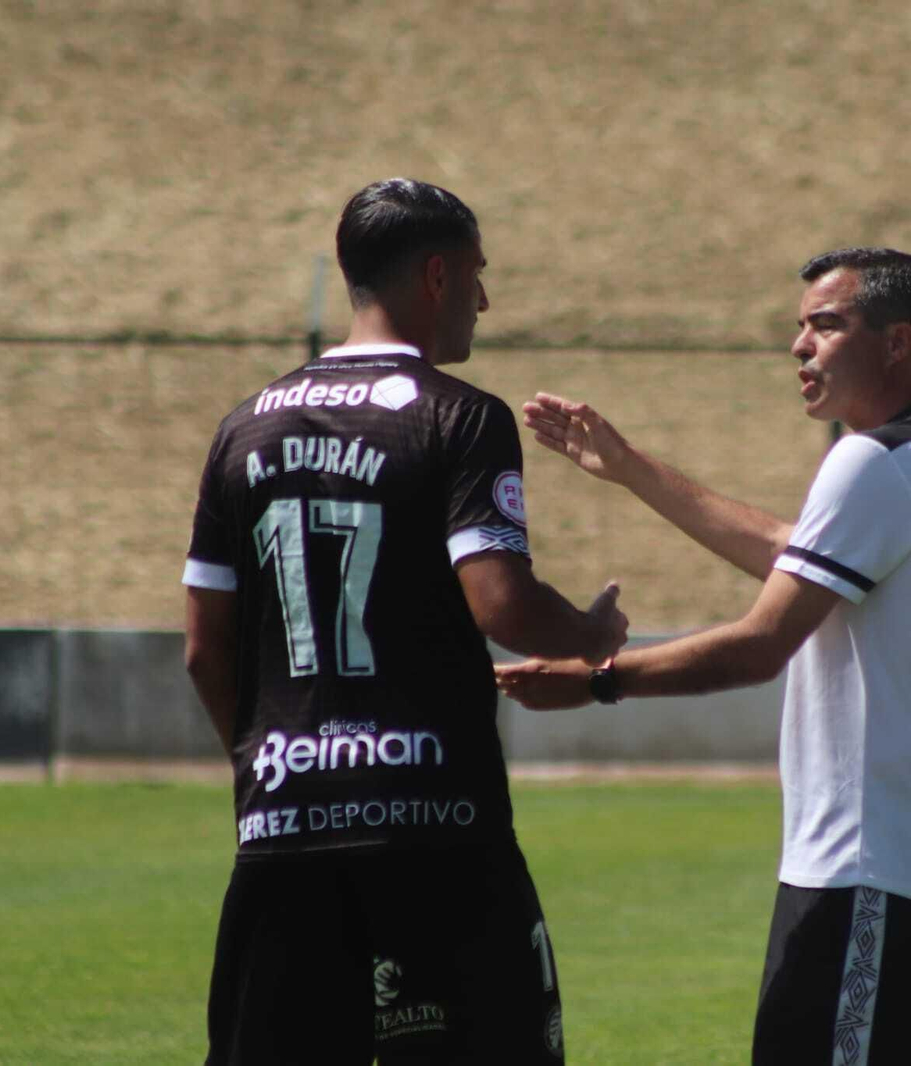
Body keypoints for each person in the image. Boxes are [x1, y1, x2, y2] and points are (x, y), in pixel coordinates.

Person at [495, 247, 911, 1065]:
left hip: (867, 871)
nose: (800, 346)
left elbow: (762, 644)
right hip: (901, 870)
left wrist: (595, 683)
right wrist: (630, 470)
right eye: (799, 328)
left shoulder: (873, 463)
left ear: (897, 341)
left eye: (826, 325)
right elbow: (791, 551)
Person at [181, 177, 627, 1065]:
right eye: (476, 275)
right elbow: (502, 605)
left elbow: (203, 649)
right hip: (436, 830)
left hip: (282, 829)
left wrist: (272, 764)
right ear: (435, 274)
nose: (484, 299)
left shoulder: (241, 431)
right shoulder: (459, 419)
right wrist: (588, 635)